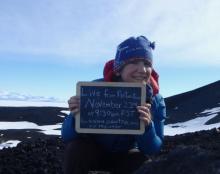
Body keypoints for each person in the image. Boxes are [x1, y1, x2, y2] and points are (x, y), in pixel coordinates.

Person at [61, 36, 166, 174]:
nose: (142, 69)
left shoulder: (156, 100)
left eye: (147, 64)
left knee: (141, 161)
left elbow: (153, 148)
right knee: (76, 148)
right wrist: (75, 117)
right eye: (134, 62)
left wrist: (147, 128)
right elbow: (66, 136)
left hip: (126, 155)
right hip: (94, 151)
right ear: (119, 69)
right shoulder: (95, 89)